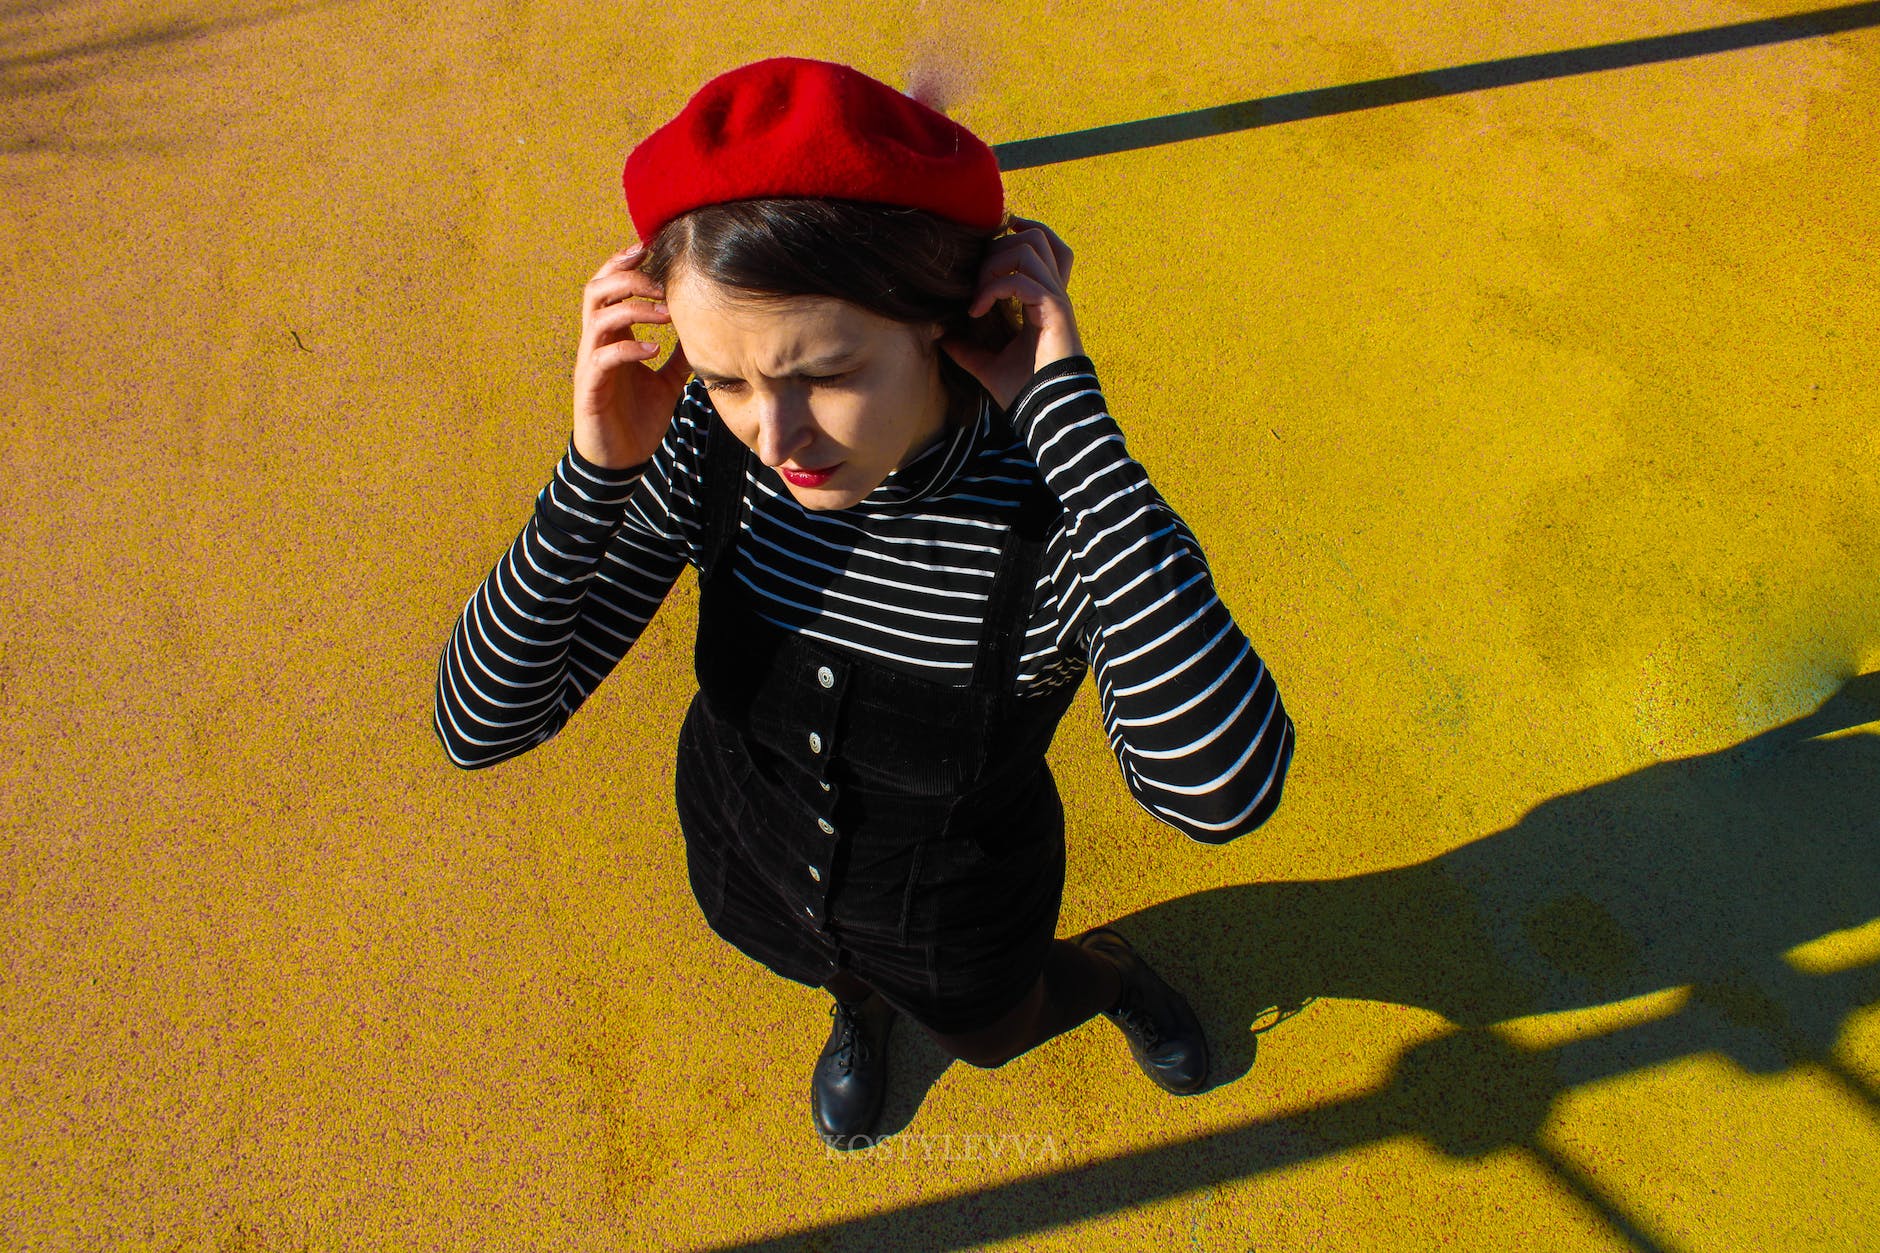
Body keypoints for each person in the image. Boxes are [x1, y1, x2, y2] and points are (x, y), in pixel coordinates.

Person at [433, 56, 1295, 1149]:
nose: (775, 436)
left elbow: (1219, 788)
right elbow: (482, 724)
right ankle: (856, 1008)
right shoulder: (701, 448)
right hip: (750, 851)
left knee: (993, 1027)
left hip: (959, 909)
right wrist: (593, 472)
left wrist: (1066, 421)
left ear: (945, 322)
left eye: (825, 372)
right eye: (726, 376)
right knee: (827, 969)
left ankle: (1098, 973)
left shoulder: (1050, 515)